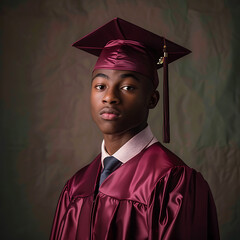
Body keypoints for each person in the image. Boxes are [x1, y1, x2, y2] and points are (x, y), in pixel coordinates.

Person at [50, 18, 220, 240]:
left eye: (128, 87)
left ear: (152, 99)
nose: (110, 97)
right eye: (100, 86)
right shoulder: (76, 187)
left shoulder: (173, 183)